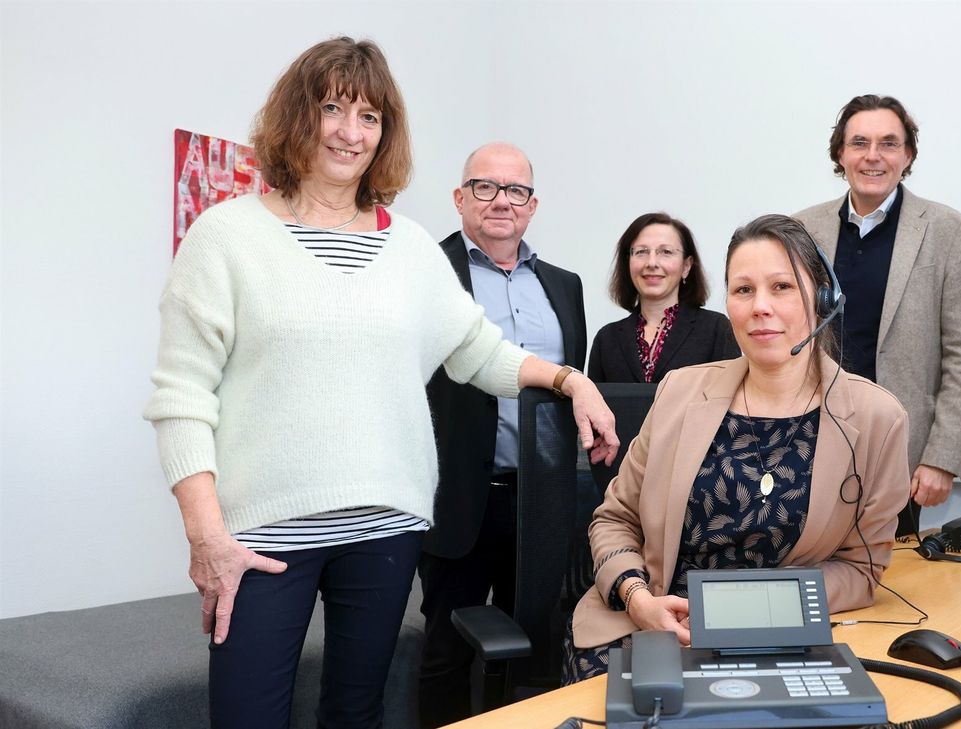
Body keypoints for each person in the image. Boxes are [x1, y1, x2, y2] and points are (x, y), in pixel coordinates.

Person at [142, 39, 616, 728]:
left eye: (368, 116)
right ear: (295, 117)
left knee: (358, 711)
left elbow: (479, 351)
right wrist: (207, 536)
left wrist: (571, 379)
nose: (348, 131)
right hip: (262, 534)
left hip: (386, 529)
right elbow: (181, 398)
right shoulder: (226, 237)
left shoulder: (411, 249)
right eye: (331, 107)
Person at [562, 214, 910, 683]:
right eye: (743, 290)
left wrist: (747, 611)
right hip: (650, 624)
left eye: (782, 287)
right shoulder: (679, 392)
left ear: (823, 298)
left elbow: (860, 567)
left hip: (781, 634)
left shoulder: (876, 419)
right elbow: (615, 518)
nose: (759, 307)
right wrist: (636, 597)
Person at [418, 142, 588, 727]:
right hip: (457, 496)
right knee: (445, 652)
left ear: (532, 205)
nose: (501, 202)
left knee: (538, 653)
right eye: (485, 187)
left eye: (515, 190)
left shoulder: (565, 286)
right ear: (460, 197)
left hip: (542, 503)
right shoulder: (426, 270)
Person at [793, 94, 961, 537]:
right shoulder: (800, 230)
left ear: (908, 155)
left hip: (897, 453)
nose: (873, 156)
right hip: (807, 446)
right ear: (840, 154)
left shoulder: (949, 232)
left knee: (891, 590)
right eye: (859, 142)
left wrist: (942, 457)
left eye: (889, 143)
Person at [587, 212, 739, 384]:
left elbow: (727, 402)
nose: (652, 263)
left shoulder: (717, 329)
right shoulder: (607, 339)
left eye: (665, 252)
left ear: (686, 266)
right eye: (641, 252)